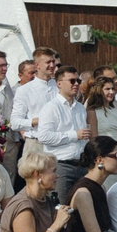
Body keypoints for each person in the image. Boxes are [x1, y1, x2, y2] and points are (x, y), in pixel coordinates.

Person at [32, 66, 93, 199]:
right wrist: (74, 135)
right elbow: (44, 136)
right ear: (59, 84)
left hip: (81, 164)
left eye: (78, 80)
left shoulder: (80, 108)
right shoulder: (51, 108)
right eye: (72, 81)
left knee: (82, 207)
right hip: (61, 165)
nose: (76, 84)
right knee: (61, 206)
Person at [10, 47, 59, 159]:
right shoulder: (24, 90)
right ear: (37, 65)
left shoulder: (59, 86)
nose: (52, 65)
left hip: (58, 143)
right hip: (36, 143)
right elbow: (14, 123)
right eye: (48, 62)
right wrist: (36, 121)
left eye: (53, 62)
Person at [87, 71, 117, 144]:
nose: (111, 92)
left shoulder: (115, 109)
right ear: (99, 91)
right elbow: (94, 138)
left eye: (112, 89)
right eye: (107, 89)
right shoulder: (92, 111)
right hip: (103, 150)